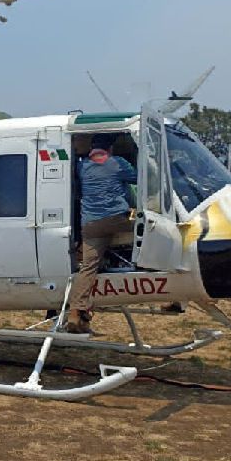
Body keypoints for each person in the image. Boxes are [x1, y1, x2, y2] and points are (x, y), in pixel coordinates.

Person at [65, 132, 137, 334]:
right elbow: (141, 178)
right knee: (151, 226)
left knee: (88, 267)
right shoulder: (118, 163)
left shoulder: (82, 166)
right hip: (118, 219)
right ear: (110, 149)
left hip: (91, 224)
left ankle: (75, 312)